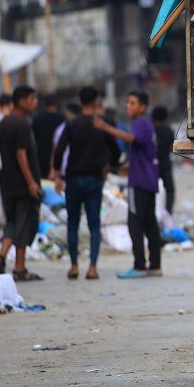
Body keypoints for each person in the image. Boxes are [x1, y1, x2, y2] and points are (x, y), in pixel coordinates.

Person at [52, 87, 120, 281]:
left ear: (80, 102)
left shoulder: (72, 124)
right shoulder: (102, 124)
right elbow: (116, 151)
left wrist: (57, 175)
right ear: (96, 101)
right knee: (94, 225)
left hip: (73, 179)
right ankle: (92, 268)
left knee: (72, 223)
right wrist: (108, 167)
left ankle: (74, 266)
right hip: (94, 180)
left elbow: (59, 150)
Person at [96, 91, 162, 278]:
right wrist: (129, 166)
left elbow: (132, 139)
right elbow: (143, 151)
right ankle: (155, 265)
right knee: (150, 224)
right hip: (148, 180)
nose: (128, 106)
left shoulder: (140, 123)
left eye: (132, 103)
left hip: (140, 183)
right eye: (127, 102)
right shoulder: (146, 125)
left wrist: (105, 127)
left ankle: (139, 265)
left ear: (142, 106)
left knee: (135, 224)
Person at [0, 86, 43, 281]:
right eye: (32, 99)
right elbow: (21, 155)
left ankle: (1, 257)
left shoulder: (4, 123)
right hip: (22, 184)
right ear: (22, 101)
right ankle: (19, 268)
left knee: (12, 223)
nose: (35, 102)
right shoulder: (21, 124)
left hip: (8, 181)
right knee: (23, 224)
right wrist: (31, 182)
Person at [31, 92, 65, 179]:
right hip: (59, 160)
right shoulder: (63, 119)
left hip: (41, 159)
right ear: (58, 104)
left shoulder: (37, 119)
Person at [152, 106, 176, 214]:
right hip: (165, 164)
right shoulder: (168, 130)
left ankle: (153, 212)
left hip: (152, 166)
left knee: (152, 191)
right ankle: (168, 213)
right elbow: (172, 148)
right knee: (169, 190)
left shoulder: (150, 130)